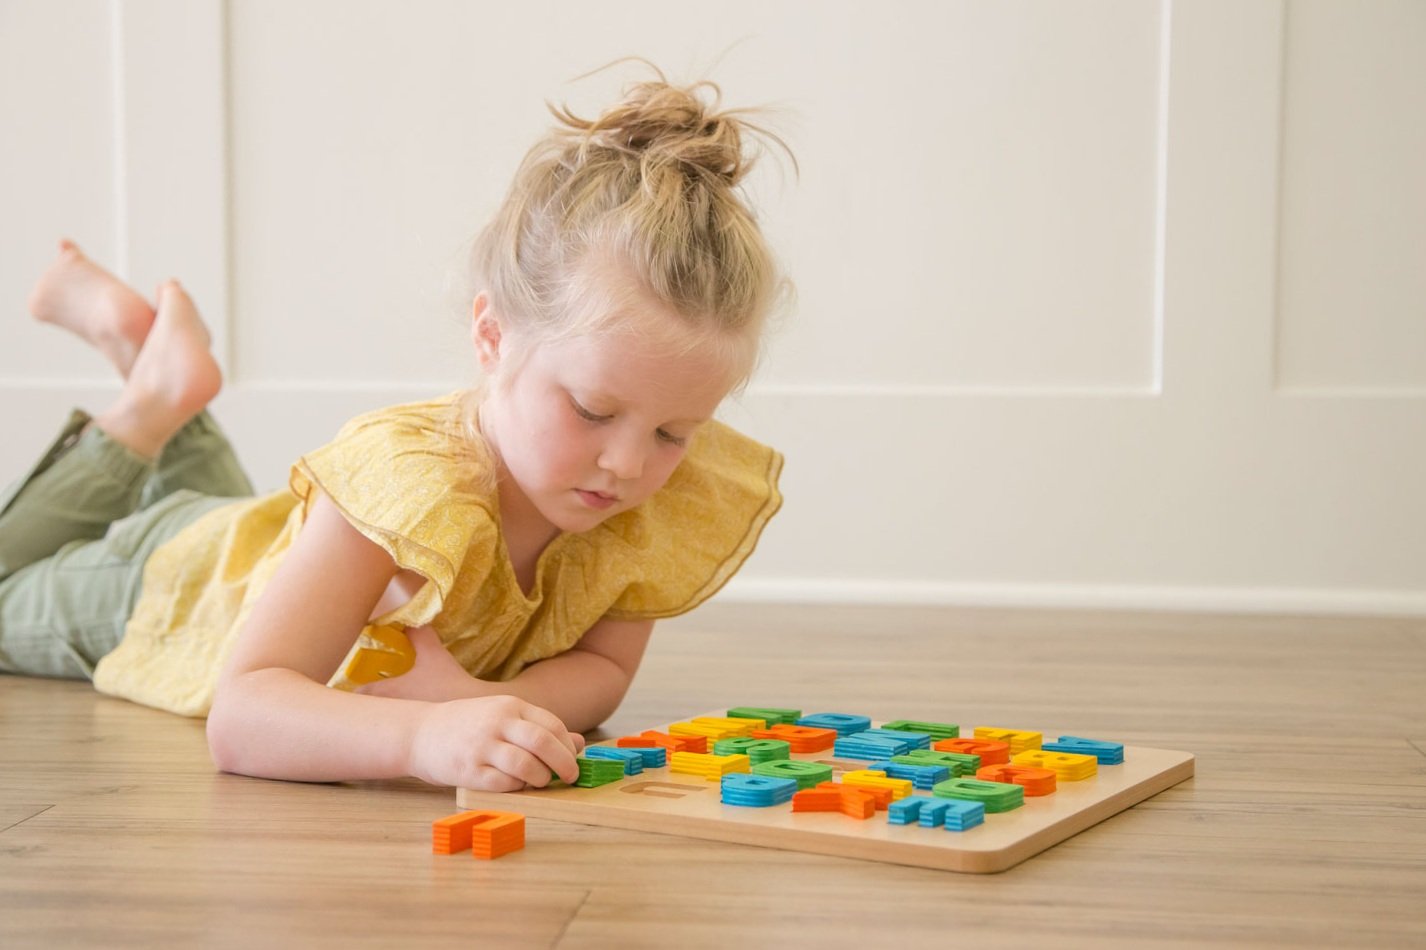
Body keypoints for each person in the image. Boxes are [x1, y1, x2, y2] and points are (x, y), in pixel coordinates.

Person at [0, 70, 789, 792]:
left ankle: (154, 367)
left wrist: (487, 703)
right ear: (493, 337)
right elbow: (243, 717)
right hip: (173, 584)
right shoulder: (410, 484)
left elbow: (603, 670)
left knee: (228, 510)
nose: (627, 463)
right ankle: (149, 405)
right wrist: (424, 737)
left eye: (674, 433)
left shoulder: (654, 496)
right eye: (591, 410)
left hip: (261, 536)